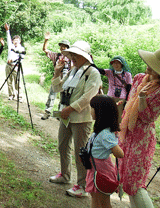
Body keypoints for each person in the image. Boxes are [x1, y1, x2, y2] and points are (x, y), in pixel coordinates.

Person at [119, 47, 160, 208]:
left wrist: (142, 100)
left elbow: (149, 118)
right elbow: (129, 103)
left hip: (141, 138)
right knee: (123, 176)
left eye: (153, 65)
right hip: (127, 132)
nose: (147, 65)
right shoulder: (139, 78)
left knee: (134, 182)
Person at [49, 40, 102, 198]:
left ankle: (82, 185)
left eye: (76, 55)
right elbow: (57, 88)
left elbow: (88, 97)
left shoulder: (93, 73)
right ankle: (65, 175)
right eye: (72, 54)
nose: (72, 57)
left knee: (81, 153)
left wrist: (70, 109)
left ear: (85, 57)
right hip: (65, 116)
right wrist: (57, 73)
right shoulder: (73, 71)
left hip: (80, 118)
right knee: (62, 146)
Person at [85, 95, 124, 208]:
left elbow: (120, 153)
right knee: (95, 198)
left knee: (103, 202)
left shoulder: (105, 134)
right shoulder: (101, 131)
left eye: (93, 108)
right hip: (95, 169)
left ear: (100, 111)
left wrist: (111, 147)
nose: (91, 110)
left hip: (101, 170)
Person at [42, 32, 71, 120]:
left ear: (68, 48)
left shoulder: (71, 58)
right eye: (61, 46)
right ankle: (47, 112)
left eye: (65, 46)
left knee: (63, 97)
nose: (63, 47)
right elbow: (45, 50)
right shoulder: (56, 55)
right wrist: (46, 40)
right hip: (56, 77)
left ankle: (59, 114)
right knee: (52, 94)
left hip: (65, 79)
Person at [96, 56, 132, 124]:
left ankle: (117, 130)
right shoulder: (110, 72)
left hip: (121, 98)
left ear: (122, 64)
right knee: (108, 114)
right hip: (110, 97)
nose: (115, 65)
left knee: (119, 115)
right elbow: (99, 70)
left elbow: (129, 88)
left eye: (118, 63)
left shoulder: (127, 74)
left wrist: (127, 99)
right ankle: (109, 128)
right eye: (114, 63)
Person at [4, 23, 25, 101]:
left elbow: (21, 58)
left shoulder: (22, 49)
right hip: (8, 65)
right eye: (14, 40)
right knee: (9, 81)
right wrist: (7, 30)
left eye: (17, 40)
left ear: (20, 41)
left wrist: (13, 61)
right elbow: (8, 38)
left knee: (17, 82)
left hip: (16, 66)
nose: (15, 41)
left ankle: (19, 96)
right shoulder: (11, 46)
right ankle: (11, 95)